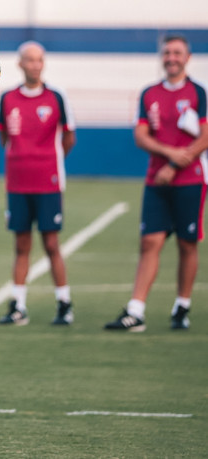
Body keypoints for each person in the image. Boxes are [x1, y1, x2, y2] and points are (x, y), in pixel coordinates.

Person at [105, 35, 208, 332]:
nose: (171, 57)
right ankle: (136, 311)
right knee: (150, 241)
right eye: (167, 52)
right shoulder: (149, 93)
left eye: (177, 52)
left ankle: (182, 307)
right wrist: (168, 154)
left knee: (188, 244)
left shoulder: (199, 93)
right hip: (156, 180)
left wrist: (176, 164)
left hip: (191, 179)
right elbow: (141, 136)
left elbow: (204, 136)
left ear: (188, 58)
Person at [0, 40, 77, 326]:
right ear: (20, 64)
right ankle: (18, 306)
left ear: (43, 64)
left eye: (38, 60)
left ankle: (64, 303)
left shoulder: (56, 97)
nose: (34, 64)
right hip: (17, 184)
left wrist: (48, 162)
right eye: (29, 60)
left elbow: (68, 138)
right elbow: (3, 137)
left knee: (52, 243)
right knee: (21, 244)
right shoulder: (7, 99)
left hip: (48, 183)